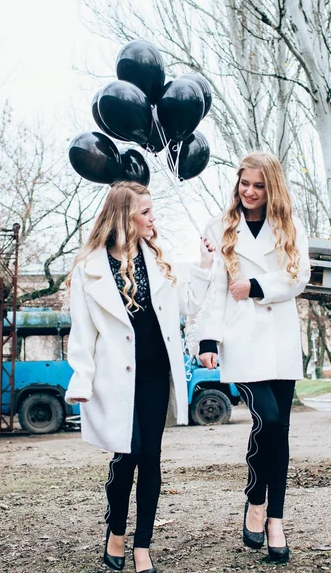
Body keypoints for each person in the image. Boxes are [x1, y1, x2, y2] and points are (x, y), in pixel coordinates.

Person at [64, 181, 214, 573]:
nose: (153, 218)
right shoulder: (89, 269)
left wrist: (203, 266)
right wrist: (81, 379)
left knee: (150, 458)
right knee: (125, 456)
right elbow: (82, 332)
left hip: (154, 375)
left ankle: (143, 545)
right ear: (123, 217)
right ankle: (116, 533)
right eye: (145, 212)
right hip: (115, 378)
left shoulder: (157, 260)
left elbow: (189, 305)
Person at [197, 151, 310, 563]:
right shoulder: (220, 226)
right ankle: (255, 499)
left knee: (279, 433)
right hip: (241, 339)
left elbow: (299, 275)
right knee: (269, 418)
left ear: (272, 188)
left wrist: (257, 285)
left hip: (280, 338)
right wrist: (207, 341)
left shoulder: (289, 225)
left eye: (259, 185)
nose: (249, 191)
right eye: (244, 183)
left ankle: (273, 519)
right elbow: (212, 289)